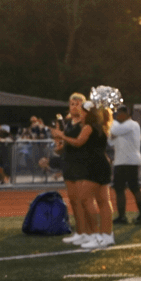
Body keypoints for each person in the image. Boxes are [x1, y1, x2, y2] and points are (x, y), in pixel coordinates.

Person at [53, 93, 113, 248]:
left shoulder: (88, 127)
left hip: (91, 165)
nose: (79, 110)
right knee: (101, 201)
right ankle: (101, 235)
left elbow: (79, 142)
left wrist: (61, 136)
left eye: (82, 108)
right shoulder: (99, 126)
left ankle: (96, 234)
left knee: (87, 199)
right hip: (96, 164)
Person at [109, 105, 141, 225]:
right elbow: (110, 140)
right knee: (119, 189)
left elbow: (113, 131)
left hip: (129, 161)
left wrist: (108, 118)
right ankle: (122, 216)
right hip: (120, 161)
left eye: (119, 114)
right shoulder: (122, 127)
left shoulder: (132, 124)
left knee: (135, 188)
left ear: (126, 114)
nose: (117, 116)